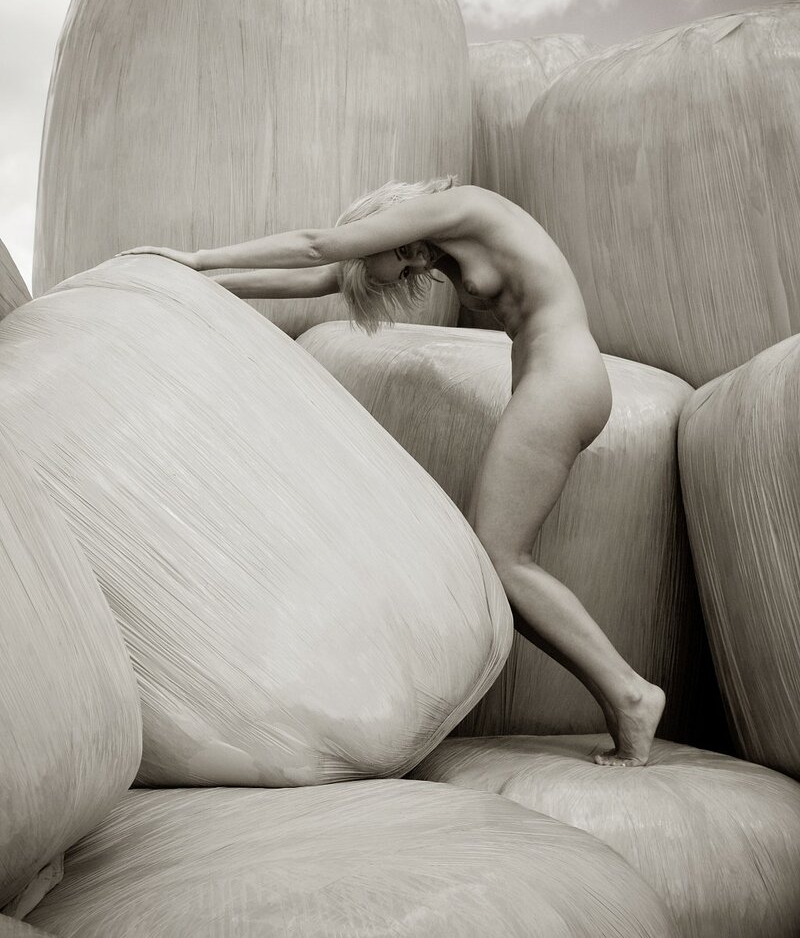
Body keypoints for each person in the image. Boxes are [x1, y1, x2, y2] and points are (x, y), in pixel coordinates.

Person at [119, 176, 665, 766]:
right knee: (501, 566)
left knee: (504, 560)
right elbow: (324, 278)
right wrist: (204, 284)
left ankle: (631, 693)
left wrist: (198, 257)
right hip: (550, 380)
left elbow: (316, 248)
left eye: (388, 257)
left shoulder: (461, 207)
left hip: (564, 379)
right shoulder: (444, 248)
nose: (407, 274)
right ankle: (622, 697)